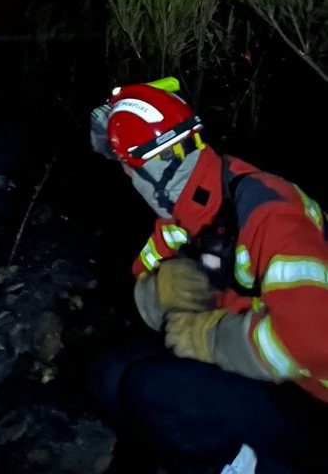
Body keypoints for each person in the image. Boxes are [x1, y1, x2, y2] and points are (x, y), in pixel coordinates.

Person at [87, 79, 327, 474]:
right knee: (110, 376)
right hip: (266, 377)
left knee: (155, 391)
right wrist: (153, 292)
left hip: (314, 398)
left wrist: (208, 338)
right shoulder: (184, 214)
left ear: (150, 167)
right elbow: (141, 276)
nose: (128, 182)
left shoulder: (268, 210)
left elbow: (314, 340)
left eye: (129, 170)